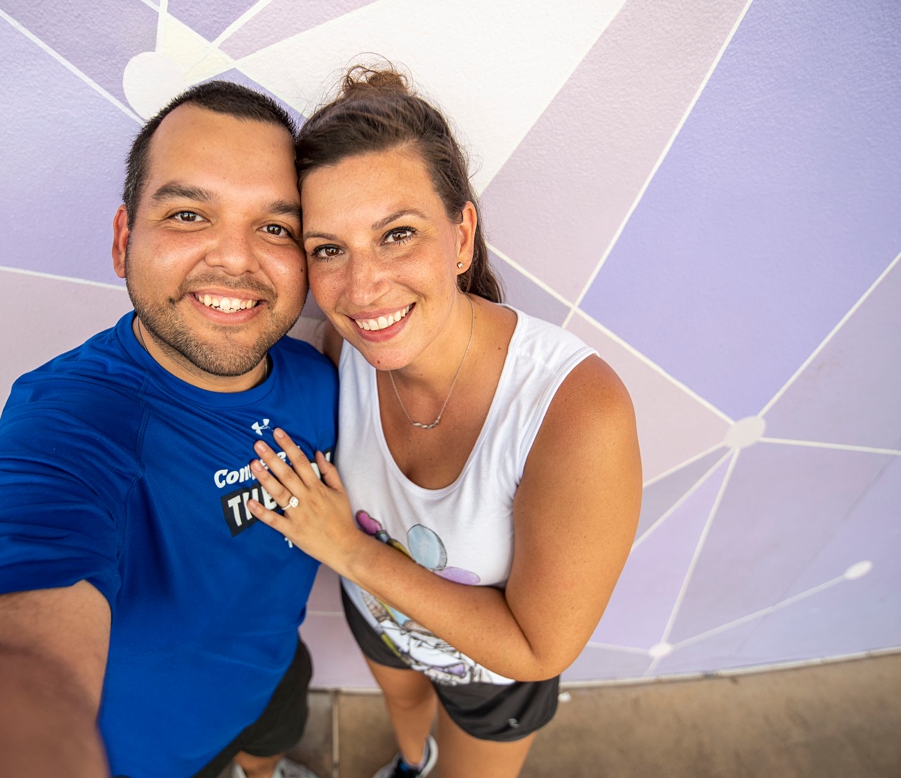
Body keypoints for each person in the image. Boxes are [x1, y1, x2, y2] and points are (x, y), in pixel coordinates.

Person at [0, 82, 335, 778]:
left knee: (275, 726)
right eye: (190, 213)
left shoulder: (316, 378)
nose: (235, 259)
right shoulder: (74, 418)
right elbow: (8, 634)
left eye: (275, 227)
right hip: (144, 760)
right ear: (123, 239)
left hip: (269, 670)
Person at [244, 67, 642, 778]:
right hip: (378, 617)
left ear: (462, 238)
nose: (362, 289)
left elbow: (538, 648)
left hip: (491, 674)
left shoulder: (576, 411)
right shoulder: (346, 347)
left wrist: (351, 551)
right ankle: (410, 761)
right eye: (328, 248)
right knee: (405, 715)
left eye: (397, 234)